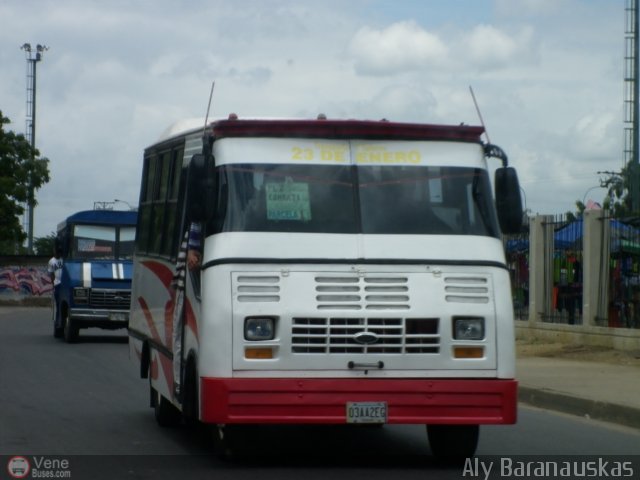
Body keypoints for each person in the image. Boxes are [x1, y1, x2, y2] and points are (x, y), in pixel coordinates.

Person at [171, 222, 201, 400]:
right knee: (179, 335)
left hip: (194, 286)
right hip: (185, 287)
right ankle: (177, 381)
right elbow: (191, 260)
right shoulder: (195, 228)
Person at [48, 247, 64, 330]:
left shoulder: (64, 259)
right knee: (58, 305)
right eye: (55, 252)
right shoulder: (51, 261)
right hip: (57, 284)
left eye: (58, 252)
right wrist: (53, 283)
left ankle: (62, 321)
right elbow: (51, 274)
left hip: (65, 284)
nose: (56, 253)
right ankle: (58, 323)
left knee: (63, 305)